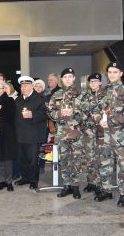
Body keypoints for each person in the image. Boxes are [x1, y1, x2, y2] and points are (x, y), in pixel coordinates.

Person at [93, 62, 124, 207]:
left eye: (115, 72)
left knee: (123, 166)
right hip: (104, 135)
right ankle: (106, 190)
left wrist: (110, 120)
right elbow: (94, 110)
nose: (112, 74)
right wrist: (99, 119)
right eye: (110, 72)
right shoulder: (101, 92)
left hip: (121, 136)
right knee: (105, 164)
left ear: (121, 74)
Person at [48, 68, 85, 199]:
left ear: (74, 78)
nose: (68, 79)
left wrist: (74, 113)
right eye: (65, 77)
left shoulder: (82, 93)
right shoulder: (57, 94)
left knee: (76, 159)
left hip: (76, 132)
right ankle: (67, 185)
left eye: (70, 76)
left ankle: (75, 186)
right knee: (63, 160)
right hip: (62, 132)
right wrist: (60, 114)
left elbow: (87, 111)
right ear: (61, 80)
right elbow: (51, 112)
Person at [14, 76, 47, 190]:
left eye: (26, 86)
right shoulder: (18, 100)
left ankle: (34, 180)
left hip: (34, 135)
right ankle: (25, 177)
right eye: (22, 86)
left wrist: (33, 115)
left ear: (32, 86)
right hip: (19, 135)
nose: (24, 88)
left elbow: (44, 115)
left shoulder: (39, 99)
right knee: (21, 158)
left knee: (32, 159)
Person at [79, 73, 103, 193]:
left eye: (96, 81)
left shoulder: (106, 96)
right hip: (88, 132)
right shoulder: (83, 96)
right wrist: (85, 129)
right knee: (89, 159)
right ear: (88, 83)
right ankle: (91, 182)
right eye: (91, 81)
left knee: (101, 158)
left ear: (100, 83)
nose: (93, 83)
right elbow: (79, 114)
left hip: (103, 133)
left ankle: (101, 184)